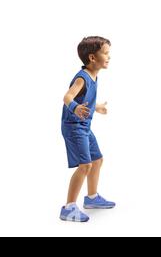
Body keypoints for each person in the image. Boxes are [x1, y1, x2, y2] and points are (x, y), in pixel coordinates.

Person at [60, 36, 115, 222]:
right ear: (92, 58)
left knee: (97, 160)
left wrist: (96, 107)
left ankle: (91, 198)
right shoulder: (82, 78)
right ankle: (68, 208)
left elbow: (86, 99)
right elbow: (67, 97)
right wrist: (75, 107)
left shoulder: (94, 75)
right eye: (106, 53)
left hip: (84, 126)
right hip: (74, 127)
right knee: (85, 165)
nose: (109, 57)